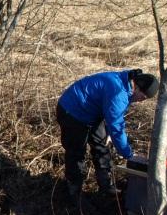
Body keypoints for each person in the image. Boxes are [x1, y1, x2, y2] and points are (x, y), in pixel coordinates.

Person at [56, 68, 159, 202]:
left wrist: (109, 132)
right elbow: (117, 125)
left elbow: (111, 112)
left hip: (92, 111)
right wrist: (128, 154)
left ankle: (106, 186)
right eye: (143, 97)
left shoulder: (126, 84)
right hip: (72, 111)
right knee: (76, 152)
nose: (141, 101)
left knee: (102, 145)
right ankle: (74, 192)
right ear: (138, 88)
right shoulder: (119, 92)